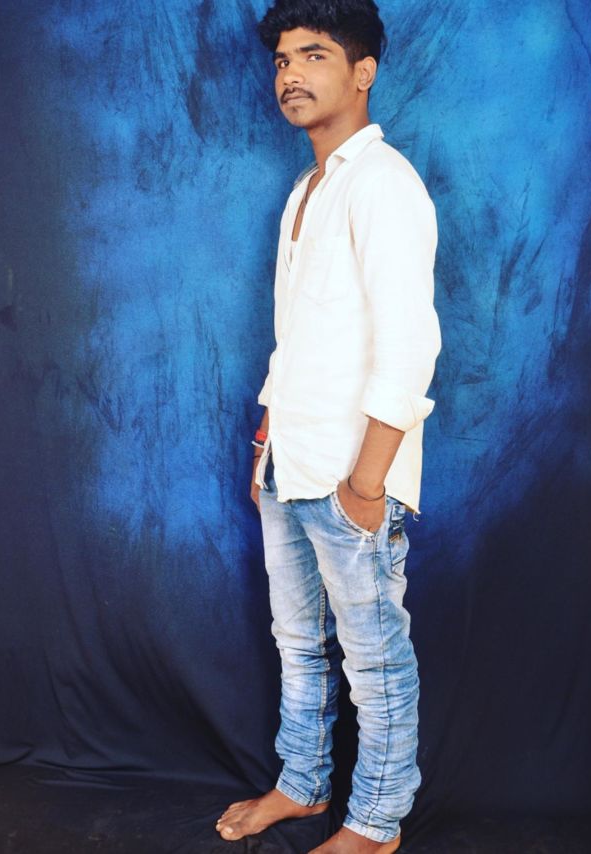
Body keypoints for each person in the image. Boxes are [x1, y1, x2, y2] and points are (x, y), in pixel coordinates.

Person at [216, 1, 441, 851]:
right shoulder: (306, 190)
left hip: (352, 474)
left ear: (363, 71)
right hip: (293, 461)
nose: (290, 75)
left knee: (374, 659)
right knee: (298, 642)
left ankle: (376, 822)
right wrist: (267, 443)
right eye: (282, 60)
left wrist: (366, 484)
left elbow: (410, 345)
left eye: (313, 55)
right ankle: (303, 785)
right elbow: (299, 338)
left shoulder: (383, 183)